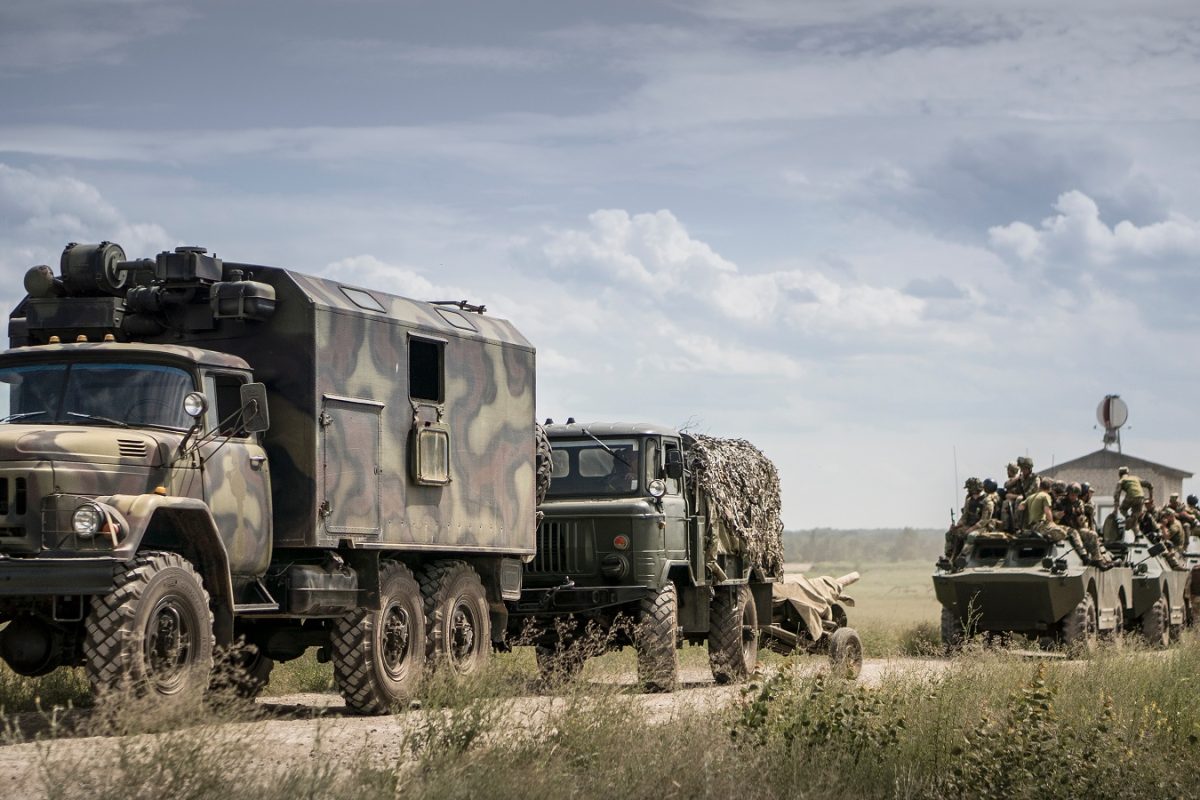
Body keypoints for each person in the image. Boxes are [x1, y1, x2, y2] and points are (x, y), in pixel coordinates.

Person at [944, 477, 994, 562]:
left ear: (974, 489)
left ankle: (963, 556)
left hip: (982, 528)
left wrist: (971, 529)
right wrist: (957, 526)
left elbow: (984, 521)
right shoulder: (969, 500)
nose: (968, 491)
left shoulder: (987, 501)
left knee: (971, 536)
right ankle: (949, 556)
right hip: (969, 526)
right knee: (950, 533)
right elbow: (964, 517)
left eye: (969, 489)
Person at [1114, 466, 1146, 535]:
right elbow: (1149, 485)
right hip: (1141, 497)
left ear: (1119, 474)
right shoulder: (1135, 478)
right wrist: (1151, 496)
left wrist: (1116, 509)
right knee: (1135, 518)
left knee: (1122, 509)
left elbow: (1117, 494)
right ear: (1128, 473)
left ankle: (1128, 519)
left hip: (1131, 496)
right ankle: (1136, 533)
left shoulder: (1121, 480)